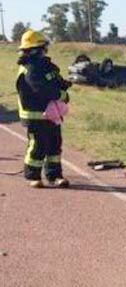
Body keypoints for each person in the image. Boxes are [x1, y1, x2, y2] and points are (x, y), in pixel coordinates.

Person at [15, 30, 72, 188]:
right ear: (35, 49)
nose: (44, 52)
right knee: (38, 146)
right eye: (42, 48)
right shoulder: (31, 68)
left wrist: (63, 85)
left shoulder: (45, 66)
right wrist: (61, 95)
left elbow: (53, 80)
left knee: (54, 144)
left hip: (50, 115)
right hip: (35, 115)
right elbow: (41, 89)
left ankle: (54, 176)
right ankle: (33, 175)